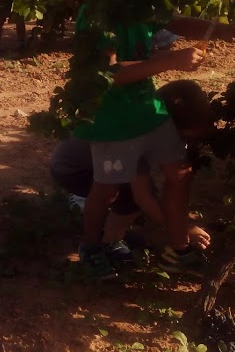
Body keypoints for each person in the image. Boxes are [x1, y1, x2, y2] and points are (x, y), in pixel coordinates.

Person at [73, 0, 235, 280]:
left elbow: (176, 22)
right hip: (112, 119)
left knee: (179, 174)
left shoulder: (143, 2)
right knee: (106, 190)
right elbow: (109, 74)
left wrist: (222, 30)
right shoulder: (98, 13)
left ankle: (178, 250)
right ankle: (91, 247)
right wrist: (170, 61)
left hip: (148, 110)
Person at [51, 80, 213, 271]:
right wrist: (182, 228)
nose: (185, 145)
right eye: (185, 138)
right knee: (122, 197)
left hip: (104, 163)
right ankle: (97, 246)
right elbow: (143, 198)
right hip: (74, 170)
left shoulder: (149, 124)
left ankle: (109, 238)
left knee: (133, 194)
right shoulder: (135, 136)